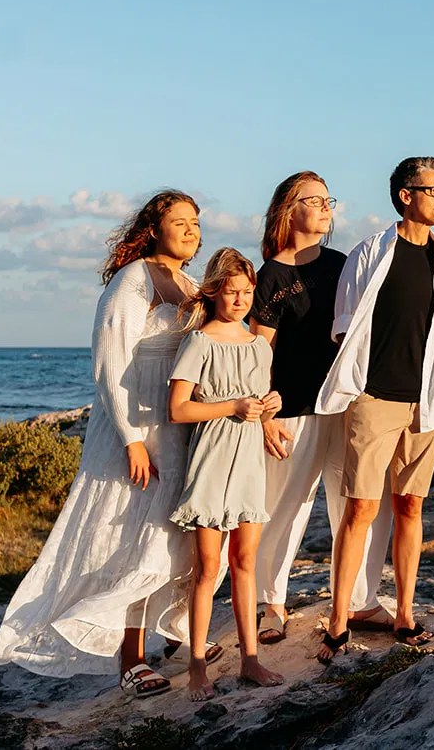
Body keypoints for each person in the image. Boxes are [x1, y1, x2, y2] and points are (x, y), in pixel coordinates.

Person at [0, 190, 213, 699]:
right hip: (137, 424)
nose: (190, 230)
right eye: (179, 222)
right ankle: (130, 660)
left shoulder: (190, 284)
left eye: (195, 223)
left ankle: (176, 633)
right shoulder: (132, 281)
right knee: (133, 537)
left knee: (174, 534)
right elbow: (109, 366)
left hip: (177, 425)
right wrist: (133, 440)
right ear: (153, 228)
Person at [315, 157, 434, 663]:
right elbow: (343, 327)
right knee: (360, 508)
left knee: (411, 506)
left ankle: (404, 614)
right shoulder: (370, 252)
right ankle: (338, 620)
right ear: (406, 195)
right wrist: (356, 390)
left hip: (428, 403)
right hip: (375, 397)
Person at [250, 171, 395, 646]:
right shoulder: (270, 273)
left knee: (357, 502)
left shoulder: (344, 264)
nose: (326, 206)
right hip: (290, 407)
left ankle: (360, 600)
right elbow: (258, 352)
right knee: (283, 508)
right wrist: (265, 417)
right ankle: (269, 603)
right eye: (314, 199)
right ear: (288, 210)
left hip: (346, 403)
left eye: (328, 198)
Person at [167, 247, 284, 698]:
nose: (240, 300)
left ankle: (250, 660)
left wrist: (270, 406)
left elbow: (261, 399)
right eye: (231, 292)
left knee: (246, 563)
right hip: (212, 463)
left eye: (247, 292)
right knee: (208, 568)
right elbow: (178, 409)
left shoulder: (259, 344)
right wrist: (232, 406)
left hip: (250, 463)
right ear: (214, 292)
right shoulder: (198, 342)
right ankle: (197, 665)